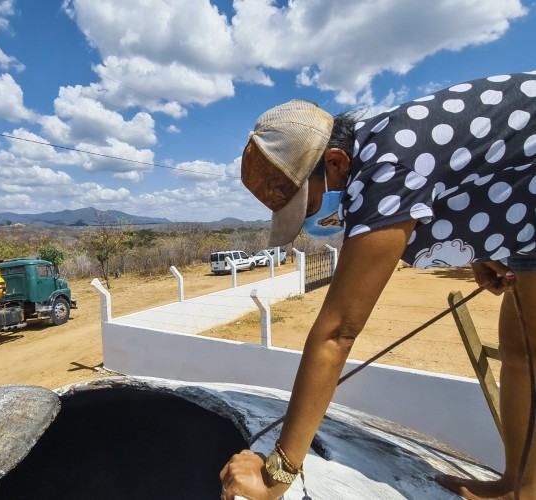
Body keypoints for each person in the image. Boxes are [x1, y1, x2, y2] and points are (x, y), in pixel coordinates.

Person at [220, 71, 536, 499]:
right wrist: (485, 249)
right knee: (521, 352)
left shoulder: (388, 165)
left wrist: (275, 477)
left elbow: (339, 331)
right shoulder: (382, 149)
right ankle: (520, 484)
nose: (316, 220)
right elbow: (474, 171)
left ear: (336, 162)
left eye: (308, 205)